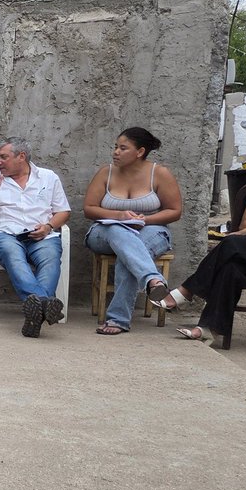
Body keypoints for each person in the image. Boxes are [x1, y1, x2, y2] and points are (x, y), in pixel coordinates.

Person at [156, 142, 246, 345]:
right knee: (232, 268)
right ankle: (209, 328)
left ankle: (187, 290)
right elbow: (244, 223)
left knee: (233, 242)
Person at [82, 128, 182, 336]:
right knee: (119, 232)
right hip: (106, 231)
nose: (115, 152)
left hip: (151, 230)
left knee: (128, 255)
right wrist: (120, 217)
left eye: (123, 148)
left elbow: (174, 211)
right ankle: (154, 281)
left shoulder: (159, 173)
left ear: (140, 151)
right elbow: (89, 208)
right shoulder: (105, 173)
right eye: (115, 147)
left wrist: (144, 219)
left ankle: (118, 319)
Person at [0, 137, 71, 338]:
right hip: (4, 235)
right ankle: (43, 303)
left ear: (21, 157)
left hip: (42, 235)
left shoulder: (48, 178)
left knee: (51, 258)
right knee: (12, 253)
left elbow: (63, 212)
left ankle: (35, 312)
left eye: (3, 157)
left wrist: (48, 226)